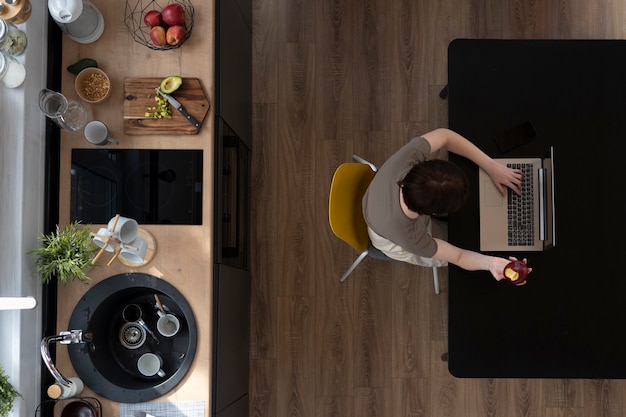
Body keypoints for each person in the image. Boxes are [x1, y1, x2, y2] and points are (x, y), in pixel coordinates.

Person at [362, 128, 529, 281]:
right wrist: (490, 263)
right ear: (434, 212)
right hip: (387, 238)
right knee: (455, 244)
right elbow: (458, 257)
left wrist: (491, 166)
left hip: (379, 203)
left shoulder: (408, 158)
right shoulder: (413, 238)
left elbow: (445, 135)